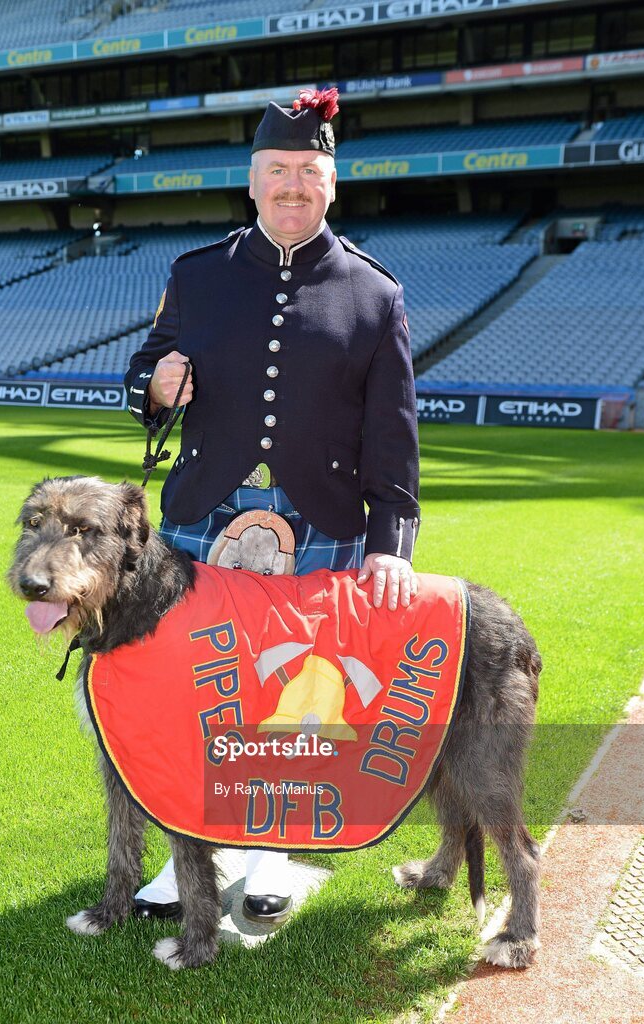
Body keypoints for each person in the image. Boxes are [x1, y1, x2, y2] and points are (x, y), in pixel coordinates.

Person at [123, 87, 420, 925]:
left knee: (296, 696)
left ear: (334, 184)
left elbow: (393, 434)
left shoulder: (375, 294)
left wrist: (390, 539)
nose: (293, 185)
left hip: (323, 520)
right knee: (194, 689)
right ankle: (190, 854)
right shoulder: (196, 275)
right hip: (200, 515)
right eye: (277, 171)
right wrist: (153, 385)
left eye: (308, 172)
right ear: (252, 183)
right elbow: (145, 373)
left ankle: (271, 851)